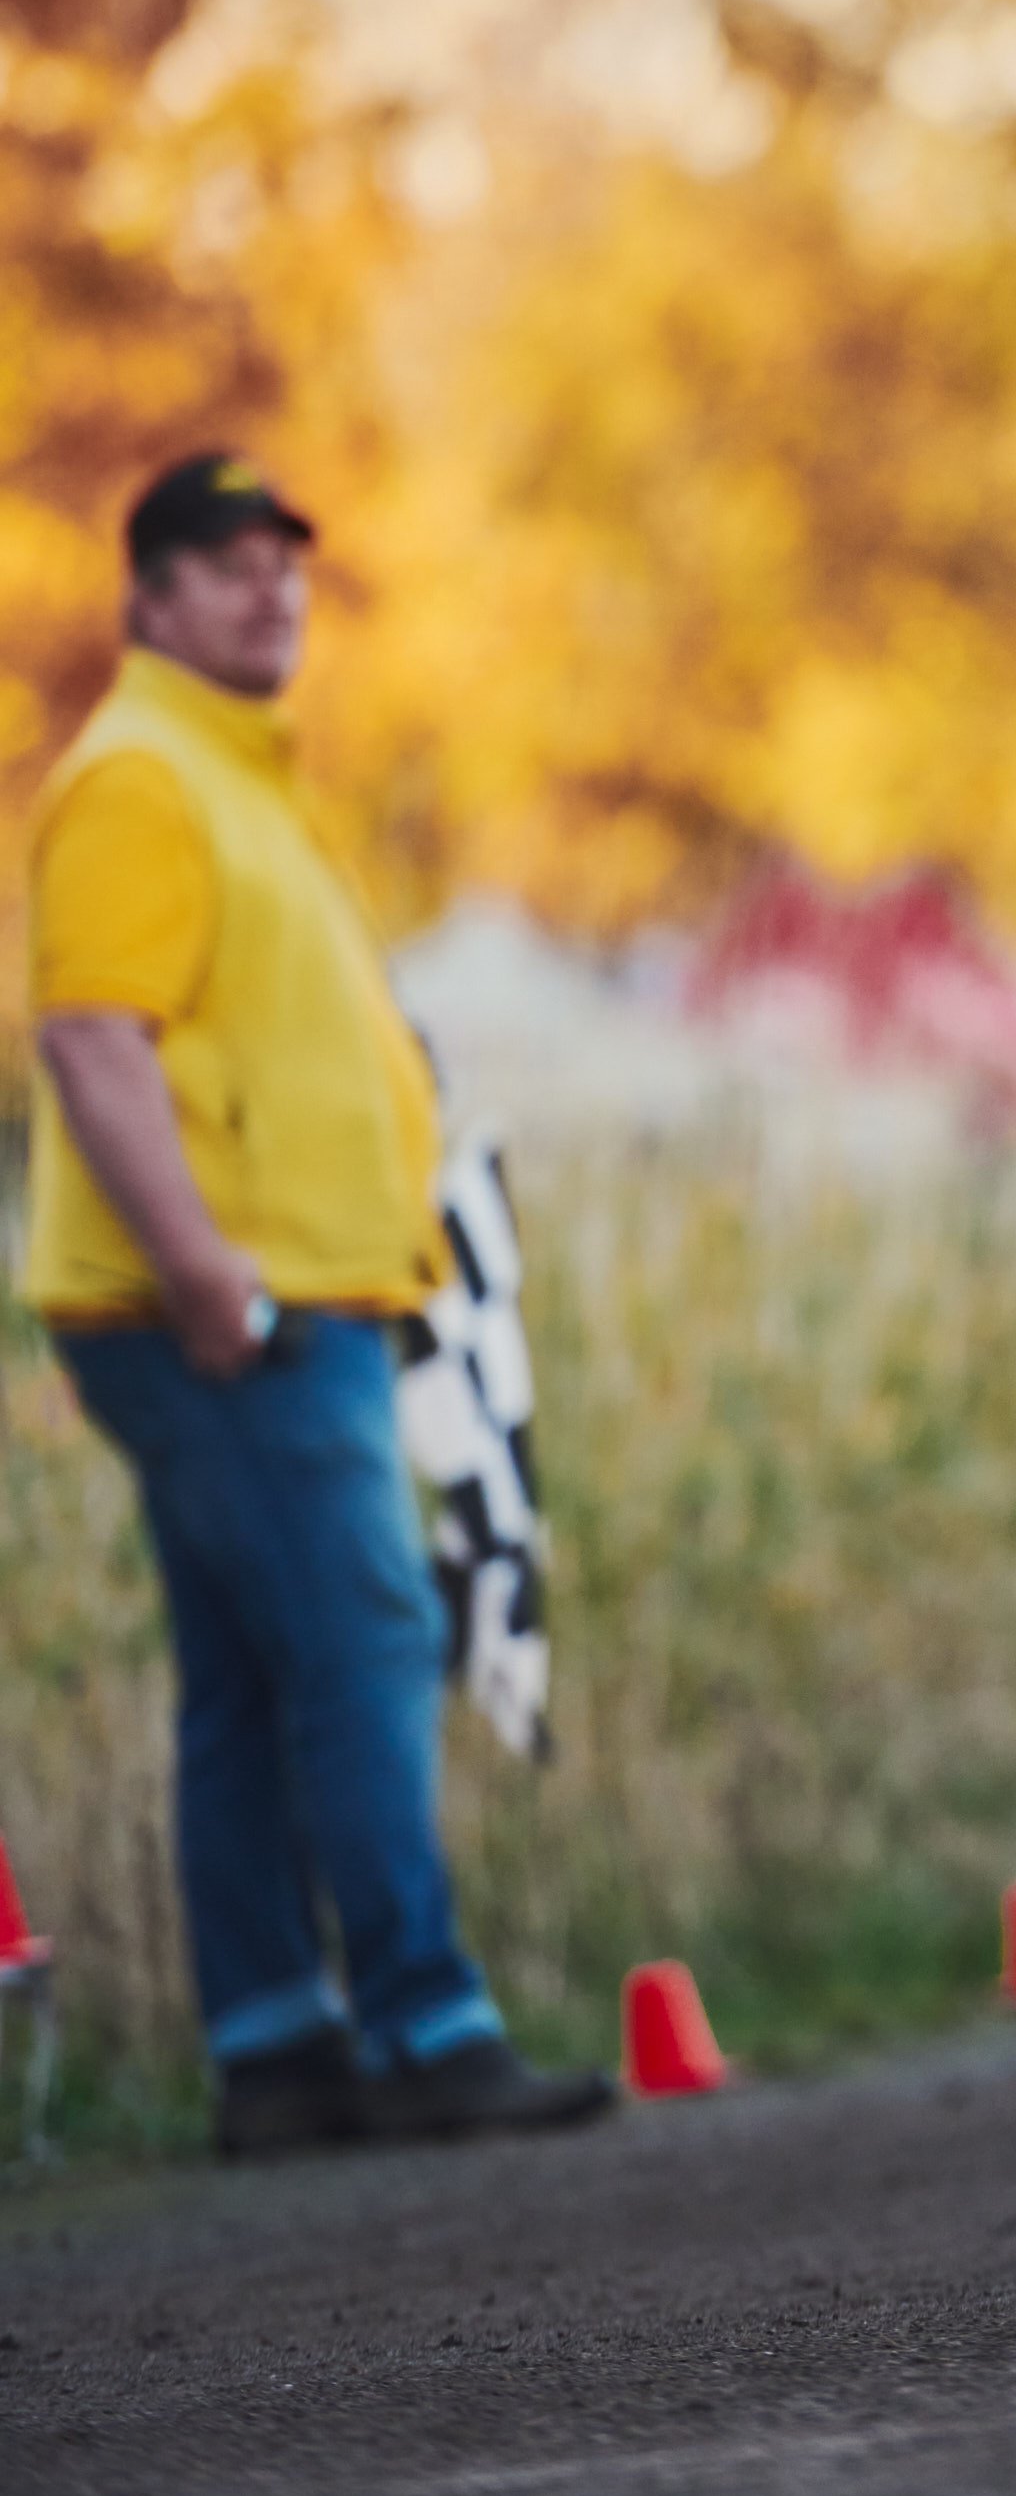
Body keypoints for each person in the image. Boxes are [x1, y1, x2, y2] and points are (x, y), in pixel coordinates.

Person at [25, 453, 612, 2155]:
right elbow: (92, 1039)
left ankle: (277, 2049)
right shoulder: (141, 778)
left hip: (276, 1298)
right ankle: (429, 2024)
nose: (270, 587)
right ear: (147, 601)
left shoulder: (237, 778)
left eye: (284, 561)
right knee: (369, 1639)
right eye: (226, 563)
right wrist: (206, 1272)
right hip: (233, 1310)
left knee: (248, 1680)